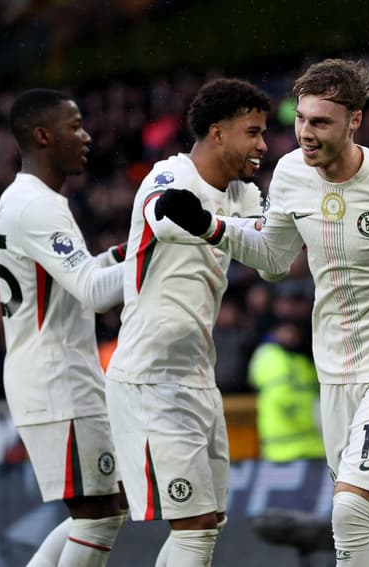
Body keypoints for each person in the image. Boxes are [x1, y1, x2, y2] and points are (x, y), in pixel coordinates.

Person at [154, 58, 369, 566]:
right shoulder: (290, 174)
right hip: (334, 370)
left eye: (321, 122)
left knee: (350, 511)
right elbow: (273, 259)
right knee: (366, 519)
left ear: (355, 120)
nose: (305, 133)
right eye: (301, 119)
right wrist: (208, 226)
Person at [104, 78, 278, 566]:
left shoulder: (243, 194)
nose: (263, 145)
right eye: (253, 132)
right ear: (217, 133)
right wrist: (222, 227)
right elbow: (166, 218)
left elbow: (273, 260)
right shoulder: (168, 175)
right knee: (195, 524)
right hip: (149, 378)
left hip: (199, 377)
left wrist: (222, 225)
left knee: (208, 522)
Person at [0, 89, 127, 566]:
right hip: (57, 381)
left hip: (59, 375)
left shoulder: (29, 200)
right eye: (75, 126)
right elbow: (95, 292)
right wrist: (158, 259)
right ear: (43, 135)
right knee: (99, 516)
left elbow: (75, 278)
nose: (86, 136)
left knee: (110, 507)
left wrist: (126, 254)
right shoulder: (38, 207)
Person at [248, 318, 324, 462]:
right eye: (286, 330)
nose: (291, 335)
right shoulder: (271, 357)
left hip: (311, 445)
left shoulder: (300, 359)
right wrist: (313, 419)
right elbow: (283, 398)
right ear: (274, 332)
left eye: (294, 331)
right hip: (285, 448)